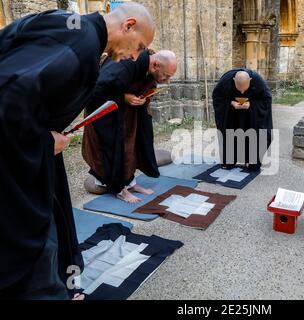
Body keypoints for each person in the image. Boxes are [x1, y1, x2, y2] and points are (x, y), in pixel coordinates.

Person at [0, 3, 155, 299]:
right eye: (140, 46)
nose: (137, 56)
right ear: (128, 25)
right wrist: (47, 142)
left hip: (26, 152)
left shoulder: (64, 22)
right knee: (31, 252)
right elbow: (8, 100)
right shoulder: (82, 47)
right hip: (14, 164)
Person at [82, 49, 177, 203]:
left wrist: (144, 96)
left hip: (129, 114)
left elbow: (141, 84)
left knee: (132, 148)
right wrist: (124, 97)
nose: (167, 80)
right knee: (114, 148)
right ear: (155, 65)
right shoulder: (124, 63)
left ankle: (130, 183)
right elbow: (95, 90)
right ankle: (120, 189)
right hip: (107, 115)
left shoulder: (147, 62)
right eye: (166, 75)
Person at [212, 69, 273, 171]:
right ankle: (230, 161)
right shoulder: (225, 81)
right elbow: (217, 97)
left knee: (258, 133)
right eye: (239, 89)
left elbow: (266, 100)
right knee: (229, 133)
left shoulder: (258, 81)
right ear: (233, 80)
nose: (242, 92)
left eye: (244, 89)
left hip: (252, 115)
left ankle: (252, 161)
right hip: (231, 113)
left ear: (250, 80)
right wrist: (231, 103)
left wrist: (251, 104)